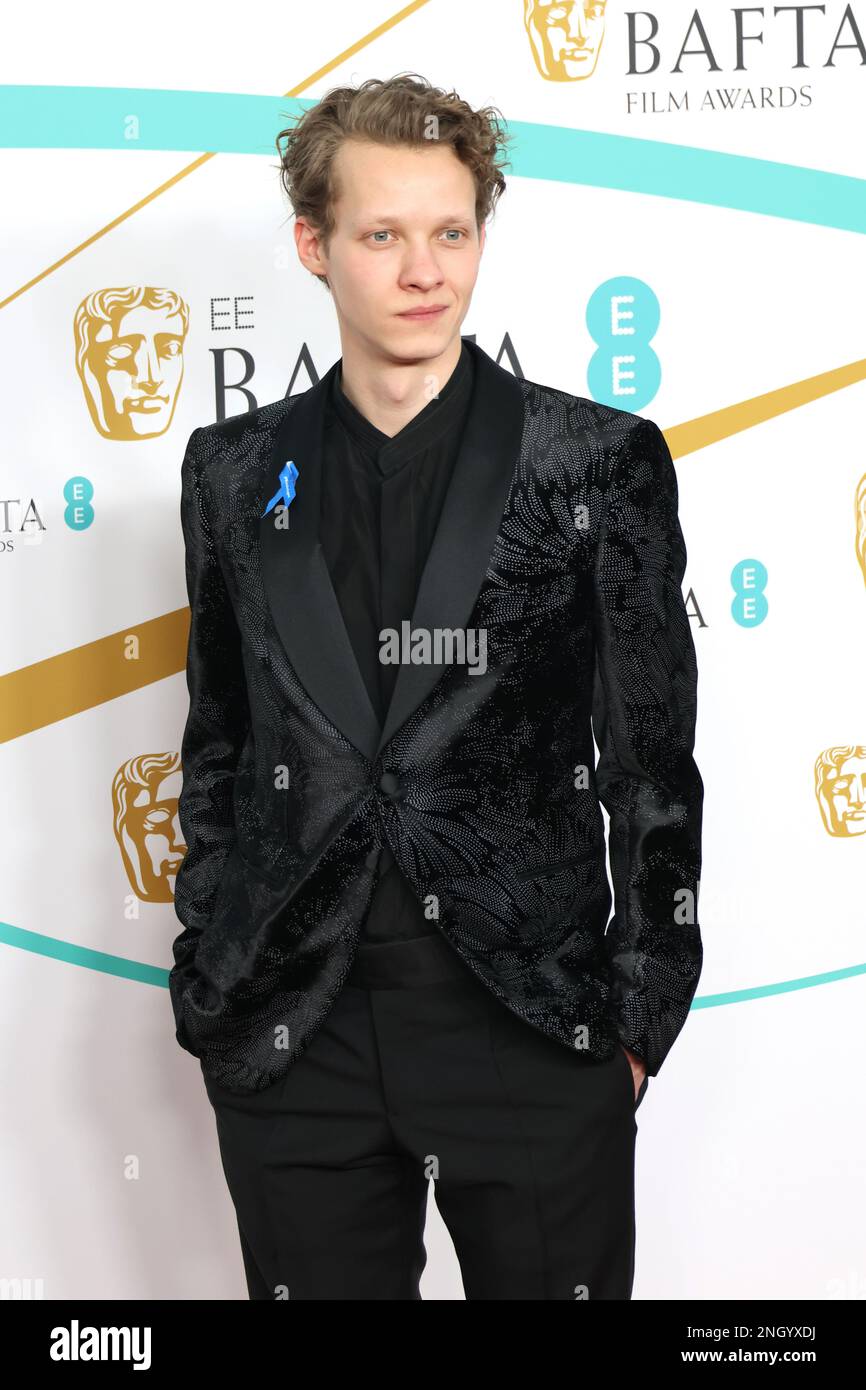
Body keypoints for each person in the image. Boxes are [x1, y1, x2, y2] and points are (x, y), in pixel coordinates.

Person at [169, 72, 703, 1300]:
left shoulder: (593, 461)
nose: (424, 270)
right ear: (314, 245)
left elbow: (651, 762)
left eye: (450, 231)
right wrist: (214, 964)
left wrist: (633, 1018)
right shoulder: (232, 471)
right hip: (294, 1027)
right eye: (383, 235)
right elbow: (221, 742)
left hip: (525, 1023)